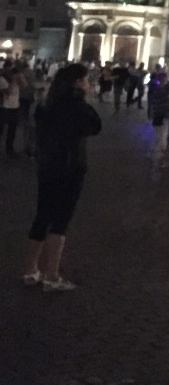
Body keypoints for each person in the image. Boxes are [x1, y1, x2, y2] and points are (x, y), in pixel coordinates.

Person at [23, 63, 102, 290]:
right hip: (70, 166)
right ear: (78, 82)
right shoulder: (77, 105)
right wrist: (83, 99)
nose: (88, 84)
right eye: (86, 80)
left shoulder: (47, 103)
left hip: (47, 165)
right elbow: (95, 126)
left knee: (42, 215)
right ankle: (52, 274)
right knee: (61, 219)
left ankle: (30, 270)